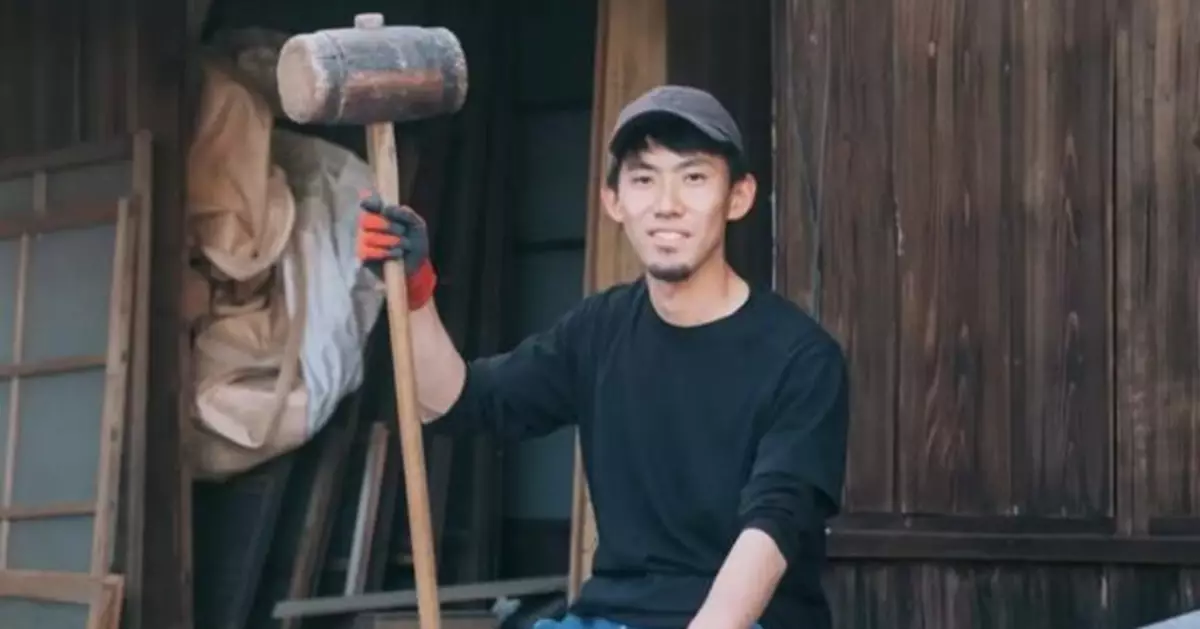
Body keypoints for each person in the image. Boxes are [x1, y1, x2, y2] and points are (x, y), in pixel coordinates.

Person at [355, 85, 850, 629]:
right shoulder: (599, 331)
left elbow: (776, 523)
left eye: (694, 177)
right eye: (643, 179)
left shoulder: (801, 358)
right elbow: (455, 402)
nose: (667, 204)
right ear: (613, 201)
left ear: (739, 197)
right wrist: (417, 293)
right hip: (610, 618)